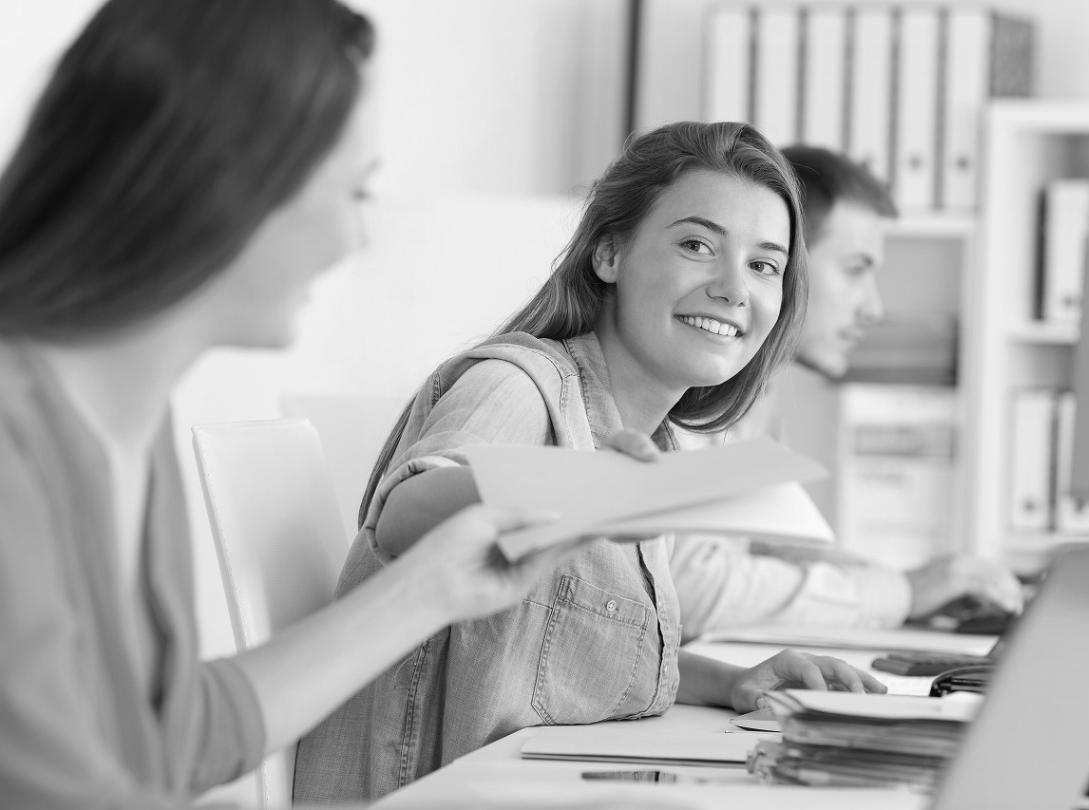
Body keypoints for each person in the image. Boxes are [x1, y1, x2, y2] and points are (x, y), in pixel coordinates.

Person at [0, 2, 619, 807]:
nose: (353, 240)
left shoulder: (126, 425)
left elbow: (167, 737)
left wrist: (437, 586)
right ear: (222, 178)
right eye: (354, 191)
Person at [294, 121, 887, 803]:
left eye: (764, 265)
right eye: (698, 245)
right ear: (609, 253)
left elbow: (577, 647)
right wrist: (581, 493)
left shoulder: (644, 442)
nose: (734, 289)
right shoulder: (519, 385)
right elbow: (404, 516)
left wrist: (733, 681)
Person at [670, 145, 1024, 641]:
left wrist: (917, 588)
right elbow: (686, 586)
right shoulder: (690, 382)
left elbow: (782, 543)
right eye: (856, 270)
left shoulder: (758, 393)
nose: (874, 308)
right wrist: (899, 594)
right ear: (781, 263)